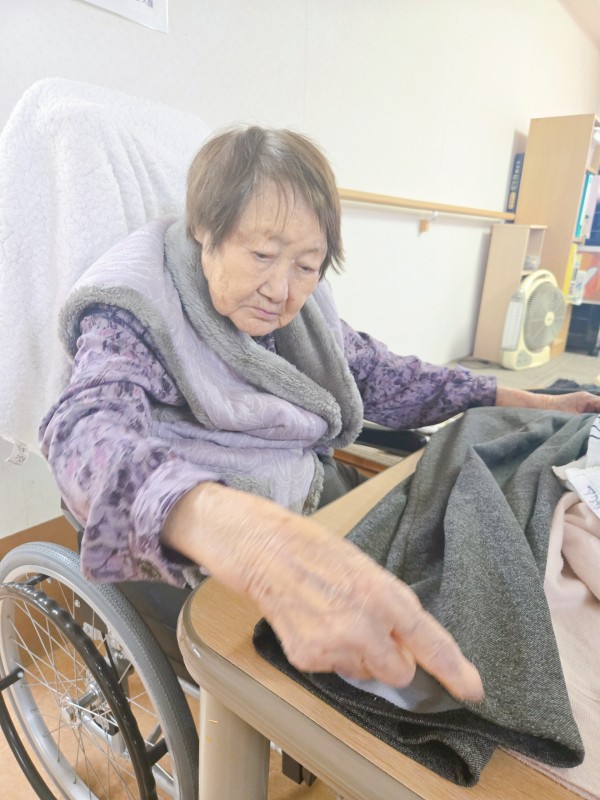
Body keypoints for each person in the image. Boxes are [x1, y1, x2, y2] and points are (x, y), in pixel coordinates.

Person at [40, 125, 600, 705]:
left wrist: (528, 401)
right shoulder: (135, 310)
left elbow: (382, 375)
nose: (280, 290)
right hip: (206, 541)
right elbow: (82, 431)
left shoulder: (306, 311)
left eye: (306, 266)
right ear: (205, 228)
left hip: (304, 493)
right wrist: (225, 527)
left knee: (471, 548)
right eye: (261, 255)